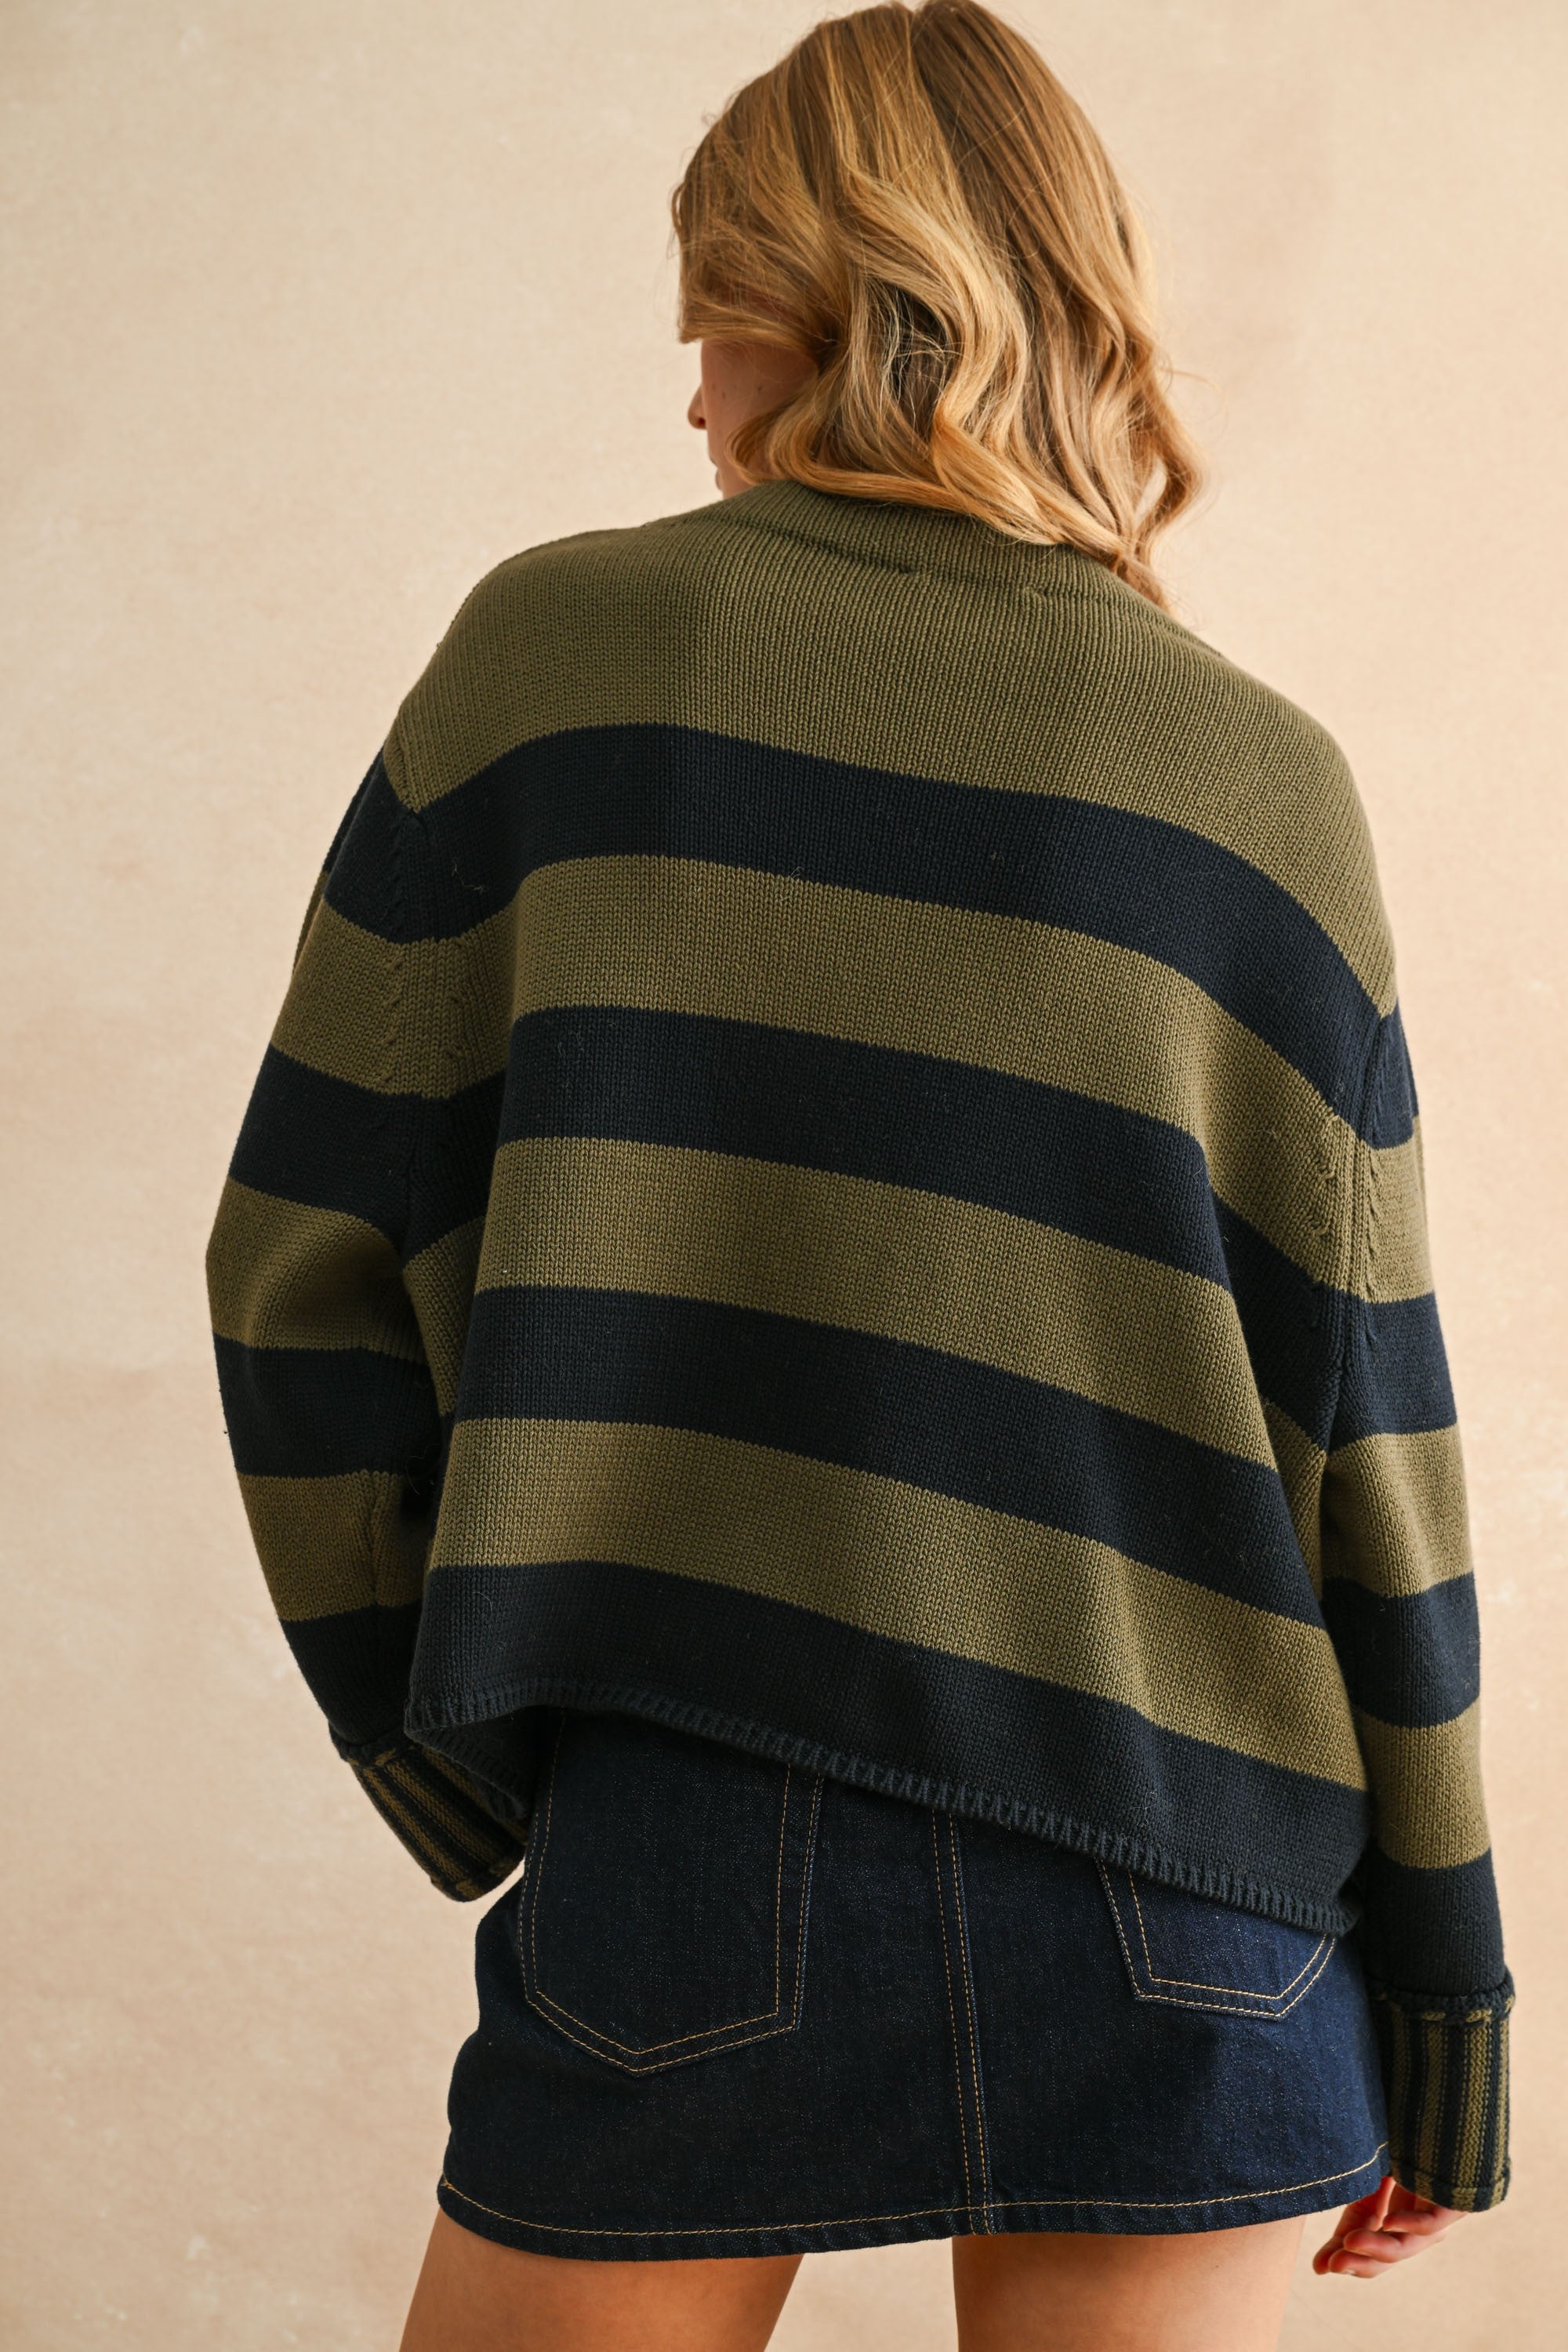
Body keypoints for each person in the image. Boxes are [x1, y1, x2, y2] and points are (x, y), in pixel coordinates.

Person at [205, 5, 1512, 2346]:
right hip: (1199, 1895)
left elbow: (298, 1260)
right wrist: (1446, 1999)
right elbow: (1371, 1451)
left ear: (802, 304)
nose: (692, 397)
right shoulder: (1258, 783)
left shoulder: (559, 659)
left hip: (691, 1835)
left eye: (705, 320)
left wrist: (461, 1735)